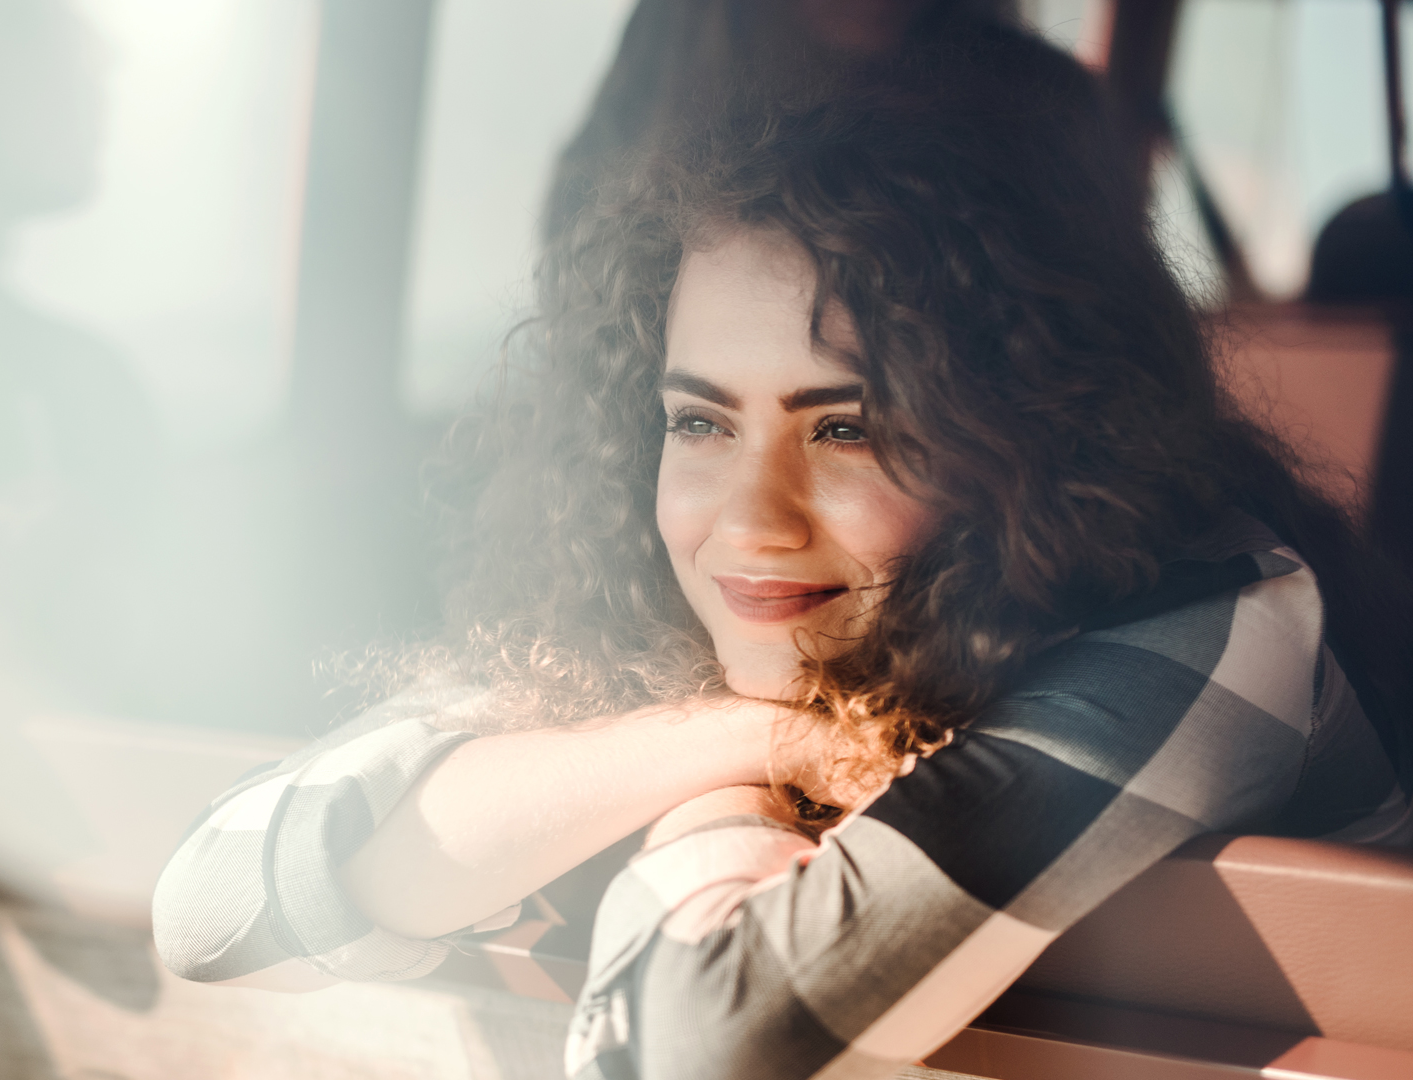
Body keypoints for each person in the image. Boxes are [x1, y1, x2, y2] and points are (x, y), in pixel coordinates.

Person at [151, 35, 1413, 1080]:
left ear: (1028, 433)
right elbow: (211, 897)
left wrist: (671, 776)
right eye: (698, 420)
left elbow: (693, 1041)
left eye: (849, 427)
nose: (751, 518)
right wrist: (753, 740)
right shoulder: (711, 613)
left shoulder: (1221, 616)